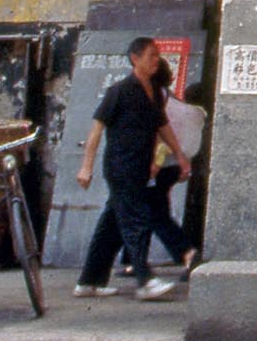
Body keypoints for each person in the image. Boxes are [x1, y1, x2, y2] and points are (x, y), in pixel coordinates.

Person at [74, 38, 190, 301]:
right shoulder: (119, 91)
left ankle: (88, 281)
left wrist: (180, 155)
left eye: (157, 55)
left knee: (111, 225)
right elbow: (96, 131)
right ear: (135, 58)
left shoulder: (153, 92)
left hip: (139, 167)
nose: (156, 60)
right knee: (135, 220)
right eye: (151, 56)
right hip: (120, 167)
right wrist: (86, 167)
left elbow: (164, 127)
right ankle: (144, 280)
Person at [145, 58, 202, 272]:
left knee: (153, 212)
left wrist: (155, 162)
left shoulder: (155, 98)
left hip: (157, 164)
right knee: (149, 208)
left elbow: (158, 134)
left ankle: (186, 251)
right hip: (170, 165)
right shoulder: (171, 98)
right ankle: (132, 261)